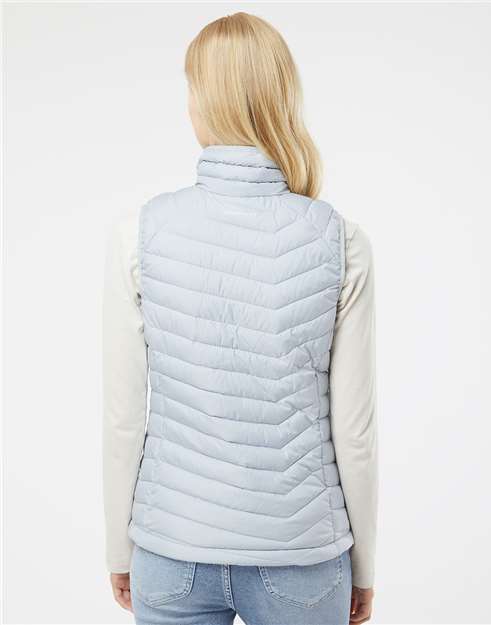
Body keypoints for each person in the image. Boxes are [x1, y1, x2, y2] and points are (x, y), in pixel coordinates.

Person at [102, 12, 377, 625]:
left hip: (171, 549)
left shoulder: (139, 234)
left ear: (202, 100)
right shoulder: (339, 240)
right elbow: (355, 431)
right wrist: (364, 567)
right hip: (303, 557)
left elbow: (123, 419)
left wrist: (119, 549)